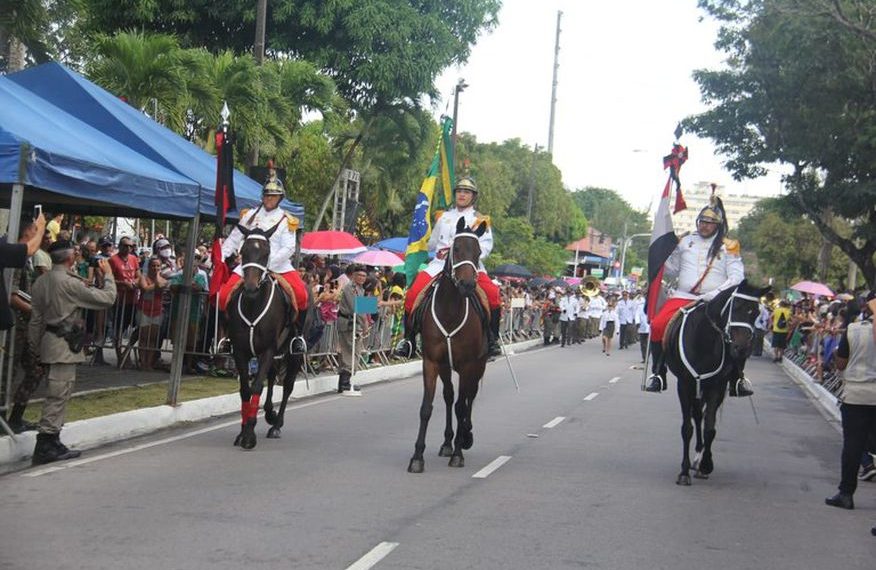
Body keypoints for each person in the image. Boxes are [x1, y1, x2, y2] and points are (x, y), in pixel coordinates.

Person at [645, 195, 750, 396]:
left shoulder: (729, 246)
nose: (704, 226)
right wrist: (660, 255)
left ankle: (737, 378)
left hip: (716, 300)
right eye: (702, 221)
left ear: (717, 225)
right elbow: (672, 270)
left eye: (709, 223)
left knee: (739, 332)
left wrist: (716, 294)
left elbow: (737, 277)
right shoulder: (685, 241)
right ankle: (658, 372)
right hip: (683, 296)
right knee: (657, 324)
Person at [28, 240, 117, 465]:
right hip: (62, 345)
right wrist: (108, 275)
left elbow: (36, 320)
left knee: (60, 393)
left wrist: (35, 348)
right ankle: (46, 443)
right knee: (58, 395)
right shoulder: (68, 283)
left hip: (49, 342)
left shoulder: (42, 281)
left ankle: (53, 439)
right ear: (70, 258)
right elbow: (107, 298)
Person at [395, 177, 502, 358]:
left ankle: (492, 339)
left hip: (468, 265)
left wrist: (468, 257)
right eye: (459, 191)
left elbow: (485, 247)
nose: (462, 194)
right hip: (440, 264)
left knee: (492, 294)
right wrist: (420, 239)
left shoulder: (480, 220)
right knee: (413, 293)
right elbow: (433, 243)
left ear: (473, 197)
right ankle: (409, 340)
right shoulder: (443, 217)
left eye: (466, 192)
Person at [218, 174, 308, 353]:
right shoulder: (249, 216)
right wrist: (220, 257)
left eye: (273, 196)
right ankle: (227, 336)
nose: (269, 199)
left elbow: (288, 248)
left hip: (277, 265)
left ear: (279, 198)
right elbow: (234, 239)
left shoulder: (285, 219)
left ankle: (297, 337)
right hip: (249, 265)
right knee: (223, 296)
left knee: (302, 296)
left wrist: (267, 264)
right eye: (267, 195)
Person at [824, 293, 876, 510]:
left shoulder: (853, 330)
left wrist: (836, 353)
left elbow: (841, 364)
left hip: (855, 396)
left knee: (853, 446)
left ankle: (846, 494)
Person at [1, 218, 49, 432]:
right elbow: (11, 295)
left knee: (36, 369)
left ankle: (16, 416)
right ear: (26, 231)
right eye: (35, 230)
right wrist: (35, 311)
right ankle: (3, 417)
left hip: (23, 326)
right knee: (6, 375)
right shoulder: (15, 255)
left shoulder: (26, 257)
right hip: (13, 326)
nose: (38, 234)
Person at [108, 236, 141, 365]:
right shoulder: (113, 260)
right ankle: (120, 356)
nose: (128, 248)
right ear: (120, 246)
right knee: (118, 331)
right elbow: (108, 278)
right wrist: (123, 283)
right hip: (119, 300)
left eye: (130, 246)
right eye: (125, 246)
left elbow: (139, 276)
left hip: (133, 300)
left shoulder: (133, 259)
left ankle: (127, 350)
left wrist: (134, 283)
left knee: (139, 326)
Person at [336, 264, 367, 392]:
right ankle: (344, 382)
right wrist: (365, 323)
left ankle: (345, 381)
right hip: (348, 323)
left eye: (364, 276)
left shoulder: (360, 289)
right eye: (359, 275)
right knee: (350, 352)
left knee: (354, 352)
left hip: (355, 323)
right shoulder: (350, 288)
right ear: (353, 276)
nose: (362, 278)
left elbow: (364, 307)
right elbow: (356, 308)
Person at [136, 257, 167, 370]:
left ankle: (149, 363)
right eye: (153, 265)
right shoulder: (143, 277)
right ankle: (142, 362)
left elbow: (160, 284)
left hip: (157, 310)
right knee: (143, 338)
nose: (155, 268)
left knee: (153, 339)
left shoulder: (162, 278)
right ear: (149, 267)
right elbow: (145, 288)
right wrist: (157, 286)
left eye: (158, 266)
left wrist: (158, 275)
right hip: (144, 309)